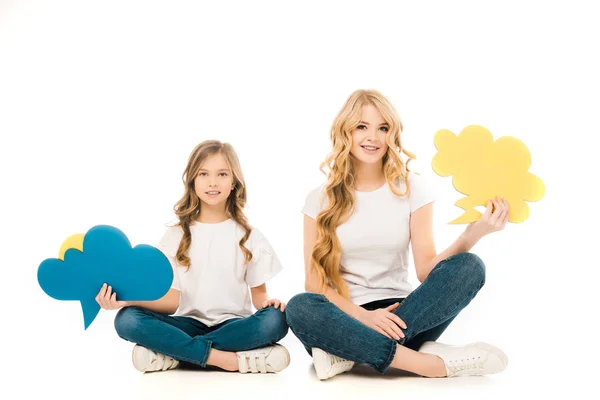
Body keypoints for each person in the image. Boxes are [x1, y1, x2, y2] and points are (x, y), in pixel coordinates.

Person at [285, 89, 510, 380]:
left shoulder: (413, 190)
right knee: (300, 307)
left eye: (383, 128)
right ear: (345, 133)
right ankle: (428, 363)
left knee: (470, 266)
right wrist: (365, 317)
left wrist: (474, 232)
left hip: (405, 316)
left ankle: (347, 354)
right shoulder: (319, 200)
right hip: (345, 317)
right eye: (362, 127)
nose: (373, 137)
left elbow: (426, 270)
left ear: (393, 134)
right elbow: (315, 283)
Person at [95, 140, 290, 374]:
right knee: (127, 319)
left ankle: (176, 354)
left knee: (275, 320)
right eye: (204, 174)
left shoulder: (250, 236)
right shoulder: (176, 235)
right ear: (193, 182)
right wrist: (126, 301)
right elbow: (170, 301)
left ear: (234, 182)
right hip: (187, 324)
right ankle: (225, 359)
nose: (213, 182)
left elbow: (259, 296)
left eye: (222, 174)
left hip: (234, 324)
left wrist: (269, 303)